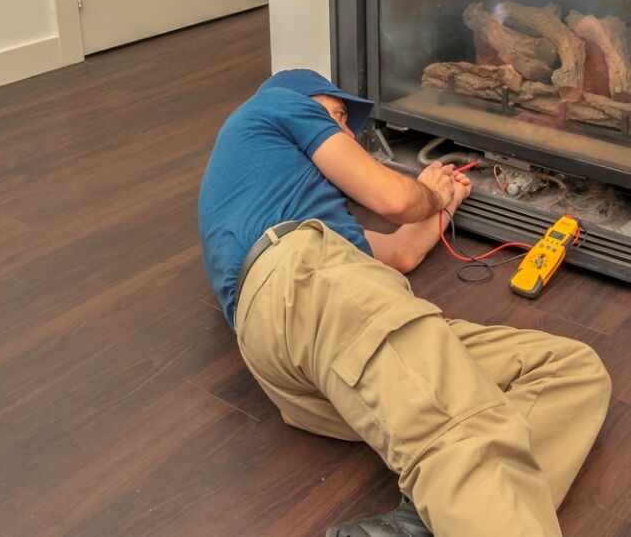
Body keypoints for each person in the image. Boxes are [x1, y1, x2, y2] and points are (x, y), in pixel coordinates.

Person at [198, 68, 611, 537]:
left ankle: (423, 520)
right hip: (313, 287)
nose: (344, 133)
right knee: (457, 436)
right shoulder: (277, 104)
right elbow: (394, 199)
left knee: (570, 370)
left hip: (305, 342)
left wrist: (445, 201)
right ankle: (459, 496)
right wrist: (425, 192)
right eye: (337, 117)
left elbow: (402, 252)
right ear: (303, 99)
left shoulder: (291, 204)